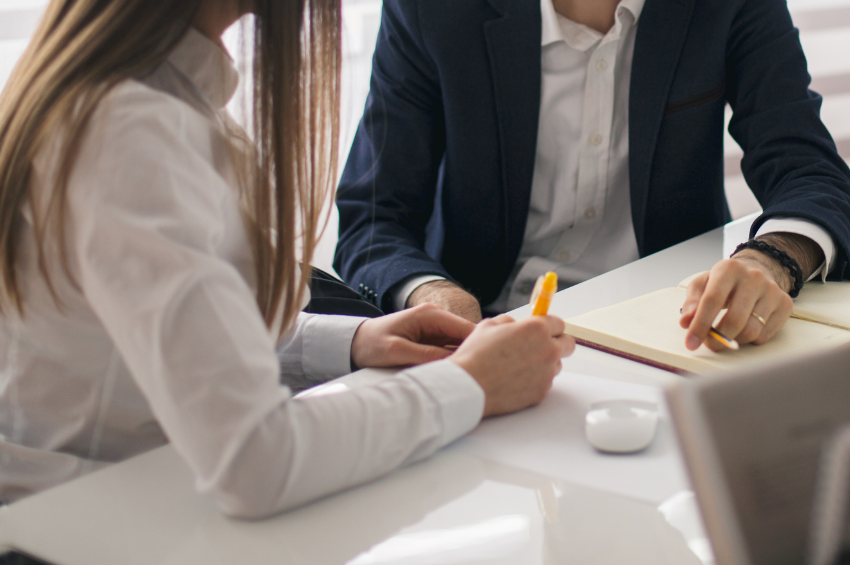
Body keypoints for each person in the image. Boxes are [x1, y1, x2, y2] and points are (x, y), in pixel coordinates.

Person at [0, 0, 575, 518]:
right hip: (81, 523)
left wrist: (354, 341)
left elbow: (176, 343)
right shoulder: (130, 131)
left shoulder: (147, 94)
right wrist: (470, 385)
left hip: (129, 497)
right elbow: (256, 459)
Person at [335, 0, 850, 353]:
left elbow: (807, 167)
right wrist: (436, 298)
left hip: (671, 329)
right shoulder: (432, 10)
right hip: (487, 326)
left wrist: (773, 258)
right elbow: (375, 220)